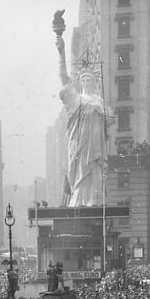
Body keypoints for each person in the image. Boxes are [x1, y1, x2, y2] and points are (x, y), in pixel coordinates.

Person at [54, 21, 106, 207]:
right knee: (76, 172)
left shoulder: (100, 102)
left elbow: (109, 123)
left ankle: (92, 201)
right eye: (83, 78)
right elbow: (62, 77)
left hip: (94, 149)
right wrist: (61, 49)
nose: (86, 81)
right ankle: (77, 200)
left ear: (95, 81)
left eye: (89, 78)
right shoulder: (76, 98)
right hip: (78, 145)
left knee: (93, 174)